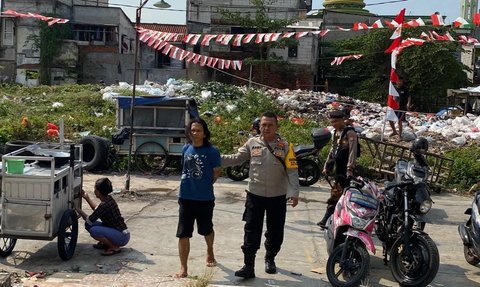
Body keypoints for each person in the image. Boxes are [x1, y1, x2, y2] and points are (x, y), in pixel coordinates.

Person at [222, 111, 300, 279]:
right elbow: (236, 158)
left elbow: (292, 171)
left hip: (277, 196)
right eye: (263, 125)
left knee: (275, 231)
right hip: (255, 195)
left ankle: (270, 258)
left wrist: (294, 192)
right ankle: (248, 266)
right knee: (251, 229)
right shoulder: (252, 143)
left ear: (277, 126)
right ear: (259, 126)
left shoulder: (285, 146)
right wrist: (214, 158)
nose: (266, 128)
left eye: (270, 125)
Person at [175, 118, 221, 278]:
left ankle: (210, 250)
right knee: (183, 233)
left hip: (205, 199)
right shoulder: (186, 148)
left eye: (198, 130)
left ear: (205, 133)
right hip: (185, 198)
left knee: (206, 230)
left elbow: (216, 173)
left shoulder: (212, 152)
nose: (195, 133)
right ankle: (183, 268)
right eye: (192, 130)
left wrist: (204, 185)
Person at [317, 110, 358, 229]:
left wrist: (350, 169)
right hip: (338, 169)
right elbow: (333, 150)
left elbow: (352, 153)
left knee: (338, 195)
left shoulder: (350, 133)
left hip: (346, 171)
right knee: (339, 195)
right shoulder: (336, 133)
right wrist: (326, 166)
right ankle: (335, 220)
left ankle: (326, 220)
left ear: (342, 120)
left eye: (336, 121)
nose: (333, 124)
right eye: (332, 122)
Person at [75, 178, 130, 256]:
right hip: (119, 232)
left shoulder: (104, 205)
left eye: (95, 189)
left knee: (94, 230)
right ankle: (106, 243)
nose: (94, 191)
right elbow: (97, 209)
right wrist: (87, 198)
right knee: (88, 225)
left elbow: (89, 220)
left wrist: (77, 209)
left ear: (98, 192)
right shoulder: (108, 199)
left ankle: (114, 247)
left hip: (122, 236)